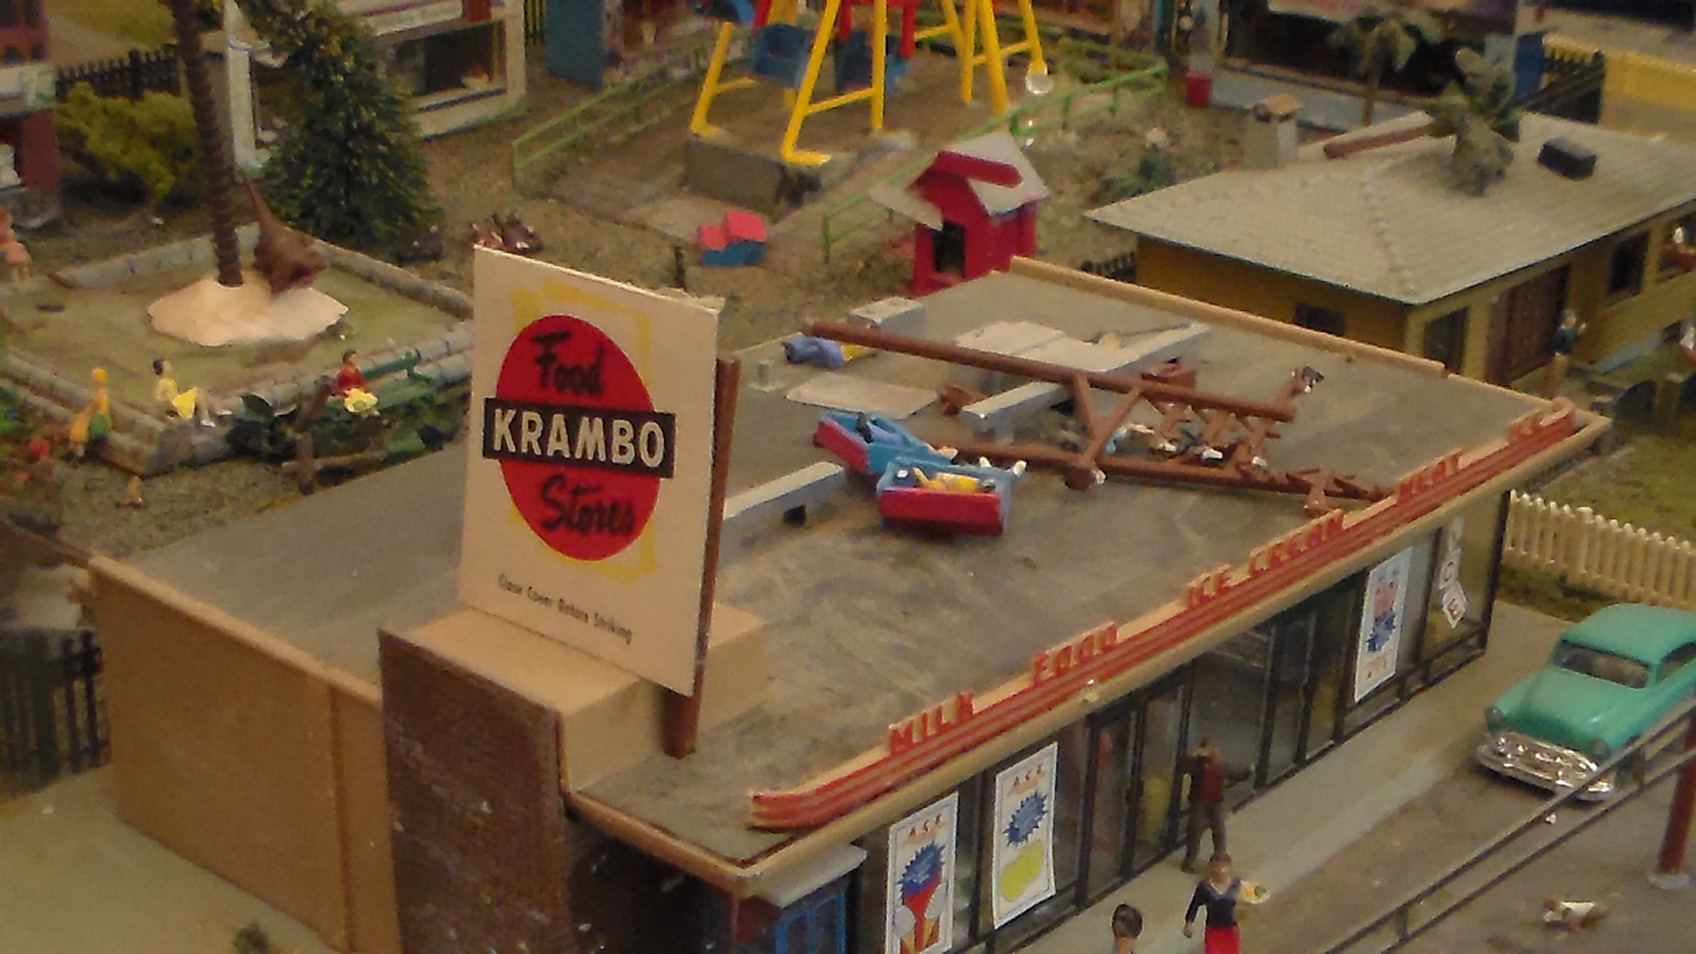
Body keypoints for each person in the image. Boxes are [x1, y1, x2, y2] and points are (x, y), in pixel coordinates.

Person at [1180, 738, 1252, 873]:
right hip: (1199, 802)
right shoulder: (1197, 766)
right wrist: (1195, 754)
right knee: (1195, 831)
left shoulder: (1221, 766)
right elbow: (1183, 767)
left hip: (1215, 802)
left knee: (1219, 830)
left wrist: (1248, 771)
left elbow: (1235, 775)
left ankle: (1219, 858)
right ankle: (1189, 861)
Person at [1183, 853, 1263, 954]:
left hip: (1230, 930)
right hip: (1213, 930)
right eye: (1215, 867)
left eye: (1223, 867)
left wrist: (1251, 906)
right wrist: (1189, 923)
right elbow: (1194, 906)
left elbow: (1252, 898)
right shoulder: (1205, 888)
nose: (1219, 870)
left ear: (1229, 868)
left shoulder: (1237, 885)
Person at [1545, 308, 1586, 398]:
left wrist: (1578, 333)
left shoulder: (1570, 331)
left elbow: (1574, 341)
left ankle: (1555, 394)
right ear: (1566, 319)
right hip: (1559, 355)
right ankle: (1549, 394)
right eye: (1572, 318)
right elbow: (1555, 344)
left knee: (1560, 377)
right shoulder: (1561, 332)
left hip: (1566, 356)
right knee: (1554, 376)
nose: (1574, 320)